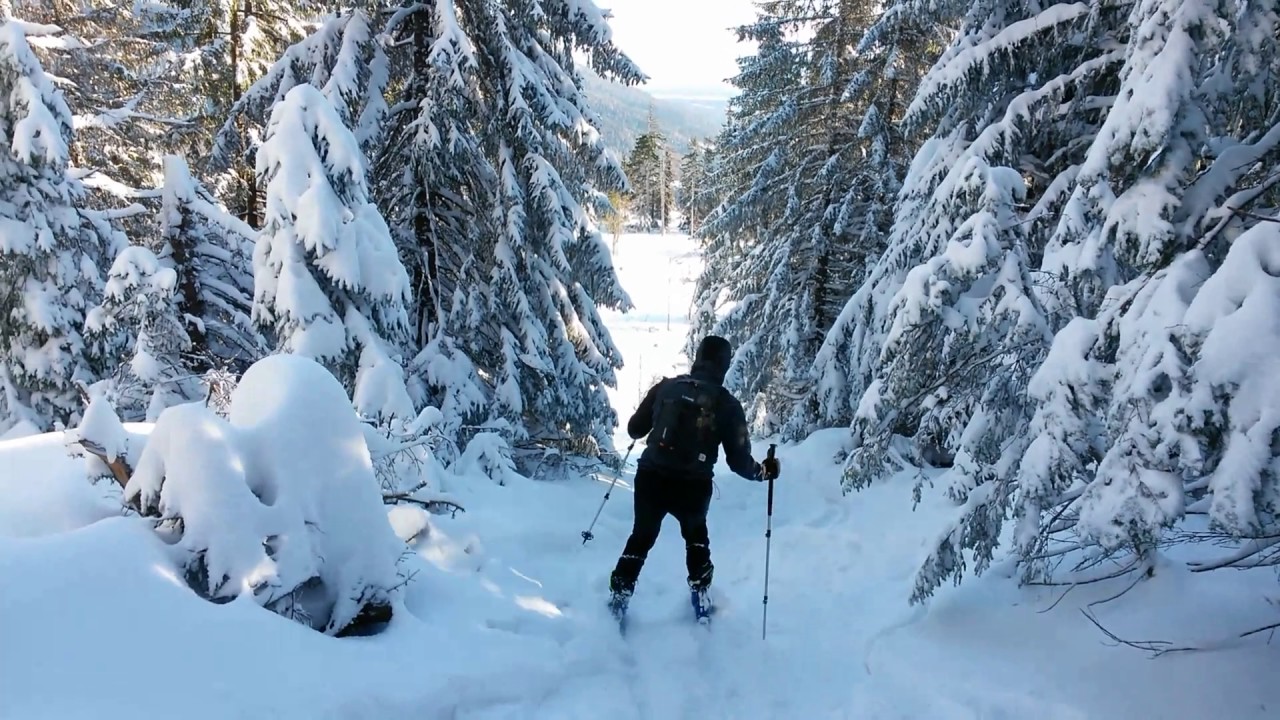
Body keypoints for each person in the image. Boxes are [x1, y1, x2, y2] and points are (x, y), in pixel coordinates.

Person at [608, 335, 780, 620]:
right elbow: (738, 462)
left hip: (650, 476)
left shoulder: (666, 387)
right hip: (693, 485)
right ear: (724, 365)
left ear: (698, 358)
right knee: (696, 537)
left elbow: (635, 429)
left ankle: (619, 599)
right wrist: (763, 472)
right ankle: (701, 600)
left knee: (641, 536)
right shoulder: (726, 404)